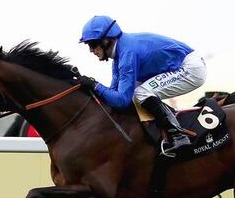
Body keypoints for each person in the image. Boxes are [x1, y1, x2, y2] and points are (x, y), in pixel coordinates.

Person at [76, 15, 207, 156]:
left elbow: (121, 101)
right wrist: (91, 87)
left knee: (141, 93)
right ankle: (165, 126)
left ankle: (179, 137)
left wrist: (95, 85)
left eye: (92, 44)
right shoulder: (119, 56)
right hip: (177, 66)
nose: (90, 50)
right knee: (137, 93)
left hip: (191, 68)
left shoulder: (127, 54)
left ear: (106, 40)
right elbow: (114, 94)